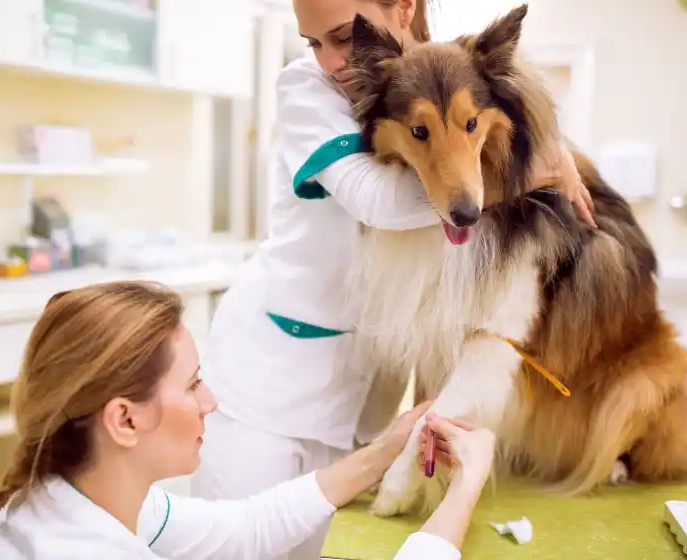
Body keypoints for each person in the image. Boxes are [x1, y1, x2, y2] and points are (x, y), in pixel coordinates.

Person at [190, 0, 595, 558]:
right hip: (270, 391)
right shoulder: (306, 88)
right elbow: (378, 201)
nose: (333, 60)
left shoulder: (441, 73)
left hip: (363, 396)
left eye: (342, 36)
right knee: (231, 547)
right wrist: (534, 173)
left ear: (404, 8)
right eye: (315, 42)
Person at [0, 281, 496, 559]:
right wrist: (465, 486)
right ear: (124, 421)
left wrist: (388, 448)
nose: (210, 400)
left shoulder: (74, 499)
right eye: (191, 384)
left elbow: (251, 525)